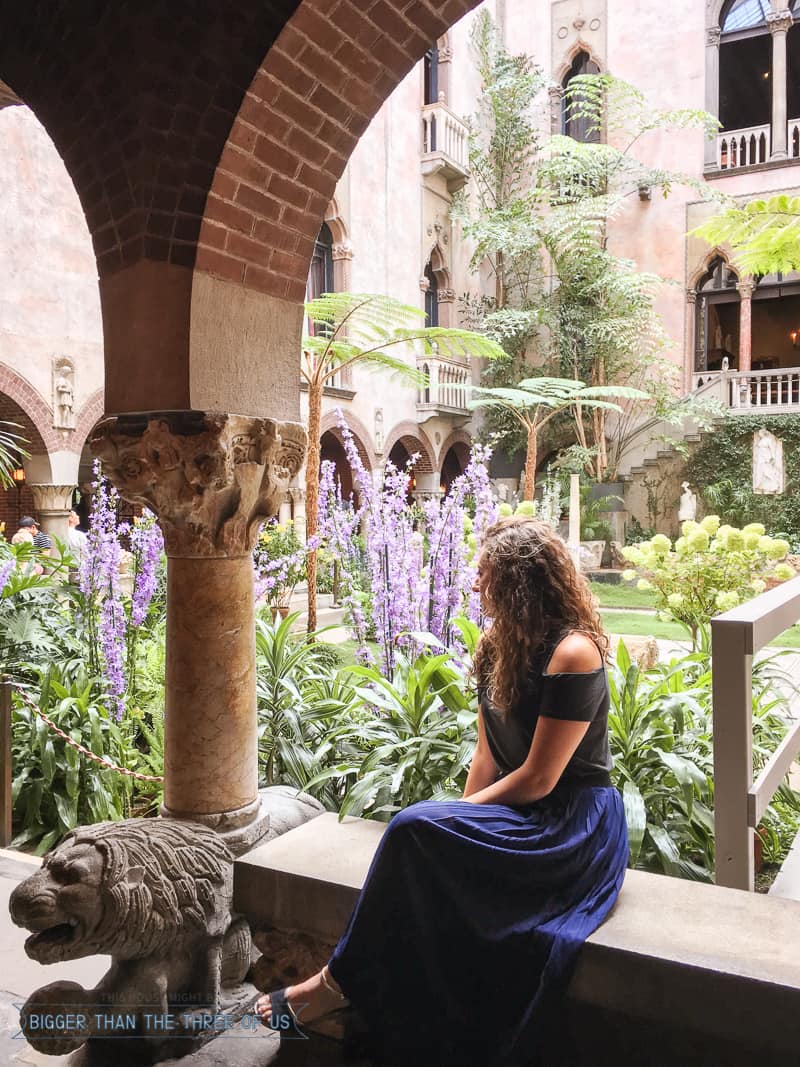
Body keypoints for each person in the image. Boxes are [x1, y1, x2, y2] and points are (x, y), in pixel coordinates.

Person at [256, 517, 628, 1066]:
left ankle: (330, 987)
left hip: (571, 825)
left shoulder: (573, 653)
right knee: (424, 836)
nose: (475, 586)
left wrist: (442, 818)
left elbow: (540, 778)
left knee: (415, 827)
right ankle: (351, 991)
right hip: (522, 811)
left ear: (520, 584)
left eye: (487, 575)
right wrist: (454, 820)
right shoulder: (497, 646)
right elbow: (487, 756)